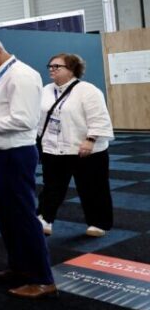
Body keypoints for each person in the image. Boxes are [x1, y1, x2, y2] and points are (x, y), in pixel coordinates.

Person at [0, 35, 55, 299]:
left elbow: (25, 120)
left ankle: (43, 279)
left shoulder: (22, 75)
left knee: (24, 215)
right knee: (6, 216)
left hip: (17, 154)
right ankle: (19, 267)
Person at [37, 53, 114, 237]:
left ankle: (98, 223)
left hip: (85, 149)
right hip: (53, 148)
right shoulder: (46, 90)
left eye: (57, 66)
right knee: (52, 187)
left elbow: (99, 118)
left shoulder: (88, 90)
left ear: (72, 70)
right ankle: (45, 219)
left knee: (92, 187)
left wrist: (90, 140)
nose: (51, 69)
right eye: (50, 66)